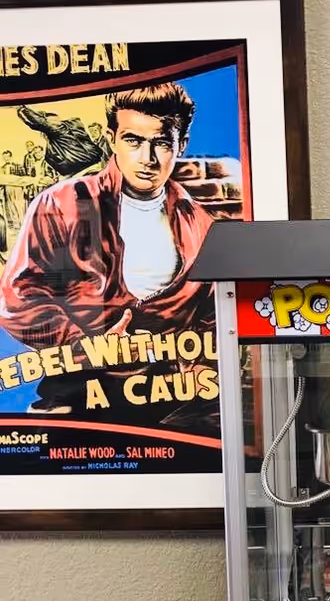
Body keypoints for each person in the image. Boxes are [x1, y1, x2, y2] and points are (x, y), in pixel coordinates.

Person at [0, 82, 214, 416]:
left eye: (161, 143)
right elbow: (20, 298)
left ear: (181, 145)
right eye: (133, 141)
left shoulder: (199, 224)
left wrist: (200, 366)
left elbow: (214, 312)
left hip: (170, 404)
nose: (147, 159)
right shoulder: (62, 204)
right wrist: (88, 348)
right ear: (112, 139)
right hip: (75, 397)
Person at [17, 104, 104, 177]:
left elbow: (36, 121)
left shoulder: (58, 130)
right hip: (91, 168)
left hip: (82, 172)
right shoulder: (70, 129)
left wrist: (21, 109)